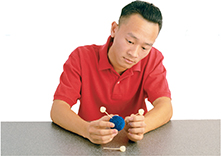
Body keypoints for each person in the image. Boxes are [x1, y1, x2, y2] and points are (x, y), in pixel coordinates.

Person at [50, 1, 173, 144]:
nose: (134, 54)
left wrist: (143, 126)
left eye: (145, 48)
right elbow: (58, 109)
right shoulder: (81, 57)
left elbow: (165, 106)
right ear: (114, 29)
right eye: (130, 41)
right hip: (86, 143)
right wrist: (86, 129)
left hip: (133, 146)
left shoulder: (153, 59)